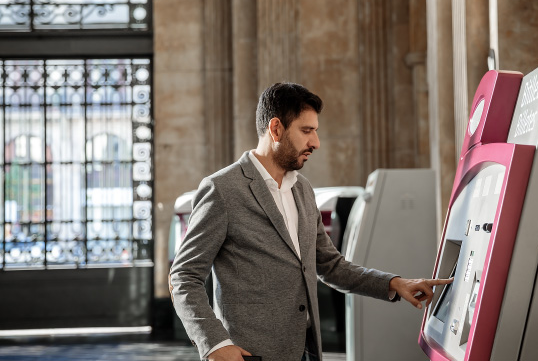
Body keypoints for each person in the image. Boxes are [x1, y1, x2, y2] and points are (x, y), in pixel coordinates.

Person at [169, 82, 453, 361]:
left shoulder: (302, 189)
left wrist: (394, 283)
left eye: (315, 131)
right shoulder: (222, 189)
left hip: (307, 350)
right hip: (249, 354)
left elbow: (330, 265)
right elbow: (183, 276)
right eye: (306, 131)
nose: (315, 142)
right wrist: (215, 344)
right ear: (276, 128)